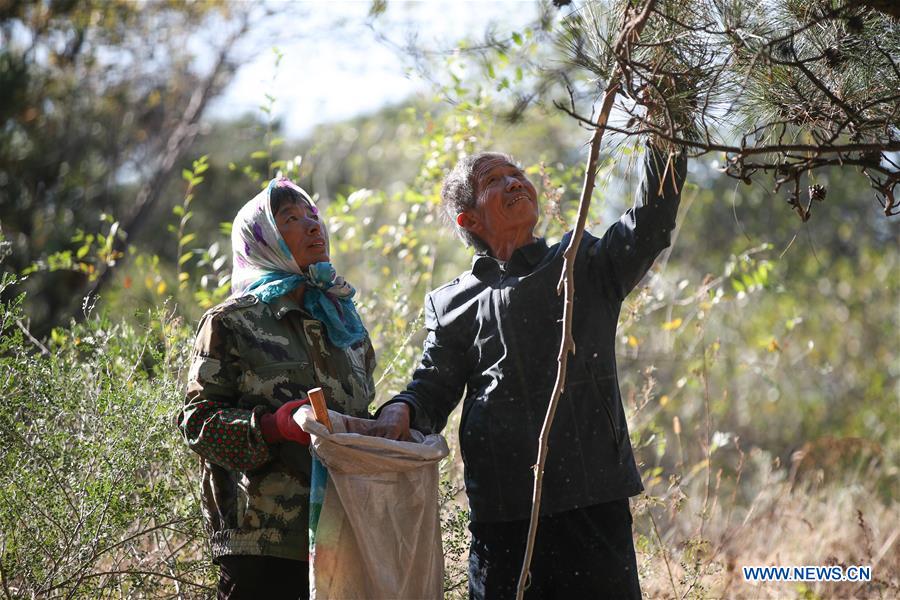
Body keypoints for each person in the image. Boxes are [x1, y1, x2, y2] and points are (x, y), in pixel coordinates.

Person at [372, 143, 687, 598]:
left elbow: (651, 220)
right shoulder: (450, 302)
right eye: (493, 180)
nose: (514, 182)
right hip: (502, 517)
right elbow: (433, 385)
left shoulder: (582, 262)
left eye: (516, 173)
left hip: (591, 499)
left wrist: (666, 136)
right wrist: (401, 408)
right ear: (469, 220)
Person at [178, 177, 375, 600]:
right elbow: (197, 425)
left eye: (313, 217)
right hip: (265, 544)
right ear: (263, 237)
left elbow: (357, 412)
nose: (311, 227)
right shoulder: (230, 322)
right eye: (290, 218)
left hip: (347, 535)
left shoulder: (344, 320)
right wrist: (272, 427)